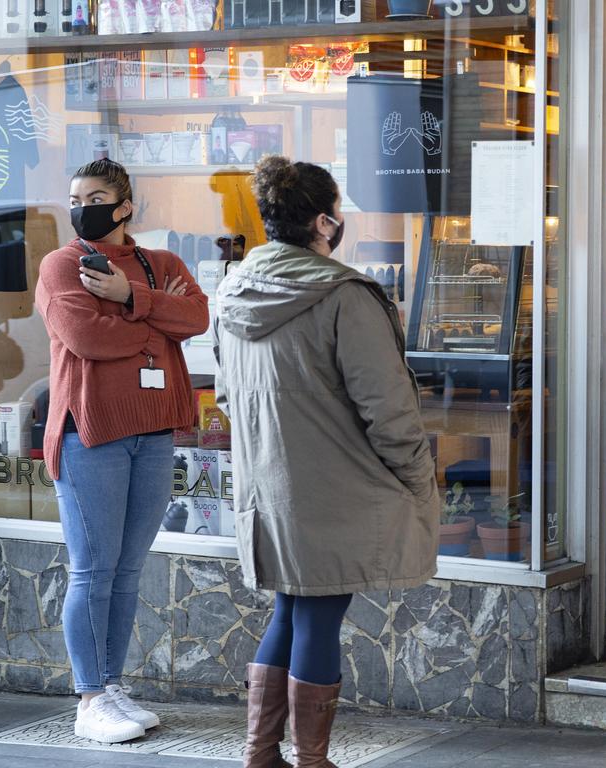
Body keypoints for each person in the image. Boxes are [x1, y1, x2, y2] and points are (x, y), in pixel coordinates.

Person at [213, 156, 438, 768]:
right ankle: (311, 760)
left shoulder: (232, 291)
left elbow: (229, 396)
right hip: (337, 489)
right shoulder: (344, 296)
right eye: (336, 213)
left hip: (270, 488)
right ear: (322, 222)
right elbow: (388, 411)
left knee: (291, 607)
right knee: (317, 614)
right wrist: (419, 481)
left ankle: (261, 755)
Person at [34, 158, 209, 743]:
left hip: (154, 432)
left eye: (97, 195)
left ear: (125, 204)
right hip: (91, 434)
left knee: (128, 569)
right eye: (75, 194)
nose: (83, 204)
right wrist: (156, 321)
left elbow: (200, 315)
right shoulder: (61, 265)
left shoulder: (159, 265)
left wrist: (130, 295)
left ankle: (110, 684)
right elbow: (85, 336)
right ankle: (88, 698)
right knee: (93, 570)